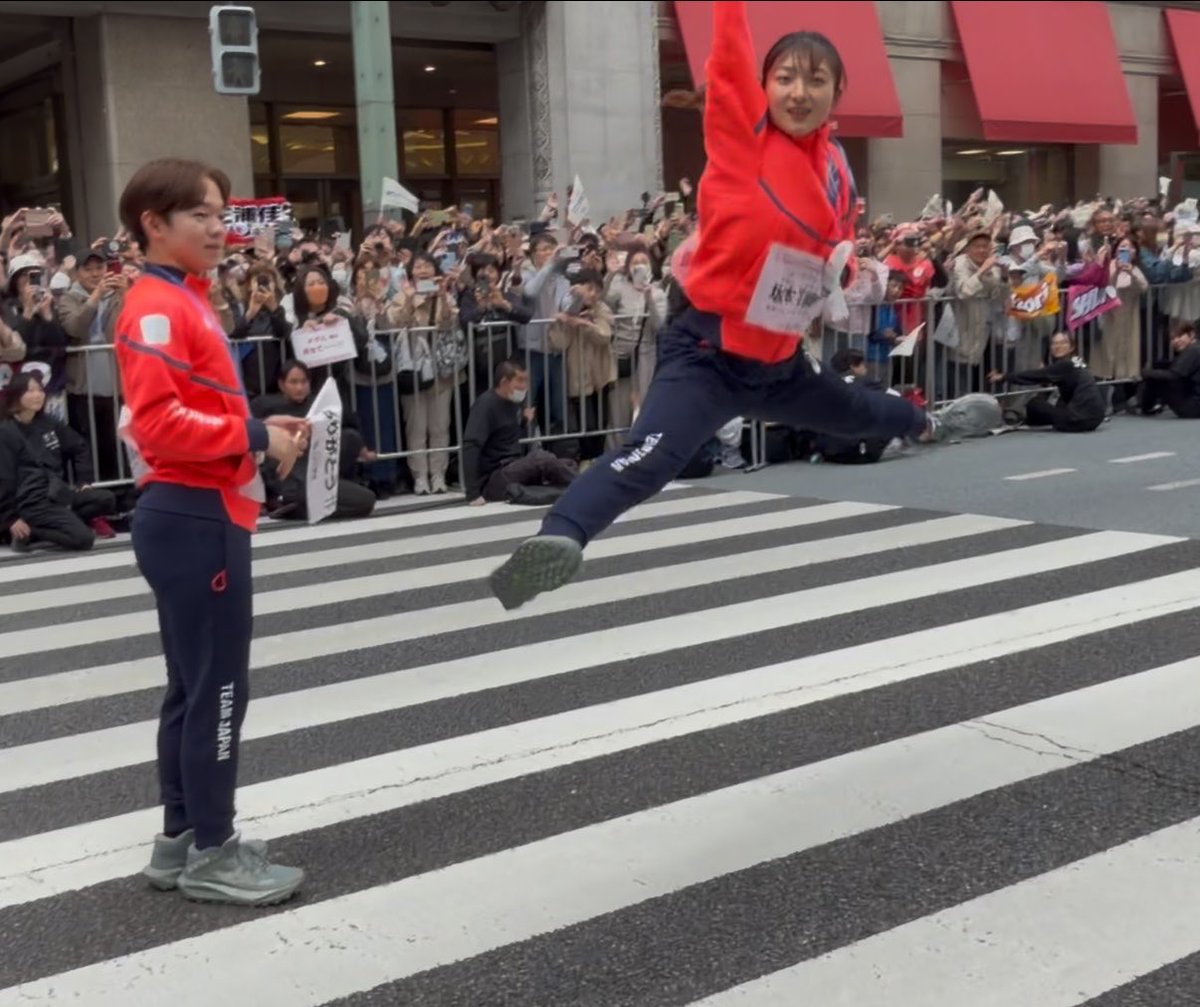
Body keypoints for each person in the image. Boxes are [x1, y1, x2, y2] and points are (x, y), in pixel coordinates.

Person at [488, 0, 940, 610]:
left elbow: (838, 247)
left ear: (839, 91)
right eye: (785, 77)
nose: (799, 92)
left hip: (780, 365)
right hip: (707, 354)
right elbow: (728, 51)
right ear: (763, 86)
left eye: (816, 79)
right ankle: (557, 541)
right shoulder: (744, 130)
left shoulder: (837, 167)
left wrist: (846, 267)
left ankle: (930, 421)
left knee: (856, 411)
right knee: (649, 458)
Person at [114, 158, 308, 906]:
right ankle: (214, 850)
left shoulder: (184, 298)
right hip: (196, 511)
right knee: (219, 688)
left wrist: (258, 429)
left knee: (191, 687)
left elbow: (194, 412)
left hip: (193, 509)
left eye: (221, 211)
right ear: (153, 224)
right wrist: (259, 436)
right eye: (200, 213)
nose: (219, 225)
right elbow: (161, 423)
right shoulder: (157, 305)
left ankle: (182, 838)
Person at [0, 371, 117, 551]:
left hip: (56, 492)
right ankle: (32, 533)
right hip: (31, 500)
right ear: (16, 396)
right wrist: (11, 518)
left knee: (106, 499)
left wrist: (84, 482)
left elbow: (79, 446)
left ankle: (61, 522)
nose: (37, 395)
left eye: (39, 390)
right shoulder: (6, 431)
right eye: (30, 391)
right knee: (83, 539)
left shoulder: (48, 423)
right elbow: (4, 478)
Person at [252, 359, 377, 520]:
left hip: (318, 476)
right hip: (286, 478)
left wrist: (363, 451)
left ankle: (303, 509)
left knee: (365, 500)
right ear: (282, 384)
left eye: (304, 382)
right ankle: (290, 502)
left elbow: (348, 430)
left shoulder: (319, 406)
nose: (299, 387)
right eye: (293, 382)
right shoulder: (264, 406)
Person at [463, 359, 576, 505]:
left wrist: (523, 422)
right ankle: (585, 485)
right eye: (520, 381)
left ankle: (575, 485)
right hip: (494, 476)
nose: (524, 387)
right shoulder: (485, 405)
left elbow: (507, 436)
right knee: (542, 459)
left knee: (566, 463)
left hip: (513, 466)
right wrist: (473, 494)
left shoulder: (513, 403)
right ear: (504, 382)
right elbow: (471, 446)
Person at [988, 332, 1105, 433]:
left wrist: (1004, 376)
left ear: (1071, 347)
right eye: (1054, 343)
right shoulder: (1078, 361)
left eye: (1063, 343)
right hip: (1096, 419)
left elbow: (1035, 376)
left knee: (1034, 404)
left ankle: (1030, 423)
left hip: (1078, 420)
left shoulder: (1065, 365)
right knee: (1055, 403)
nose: (1058, 346)